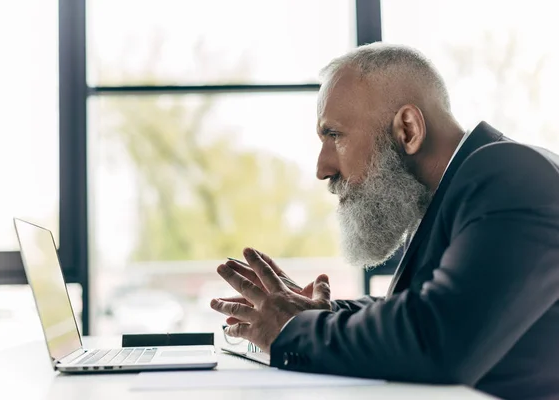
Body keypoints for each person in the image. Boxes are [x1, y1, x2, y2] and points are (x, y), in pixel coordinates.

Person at [209, 43, 559, 400]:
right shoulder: (460, 187)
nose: (322, 168)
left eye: (334, 135)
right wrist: (313, 311)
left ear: (407, 129)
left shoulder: (512, 176)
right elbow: (420, 308)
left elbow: (436, 338)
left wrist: (293, 327)